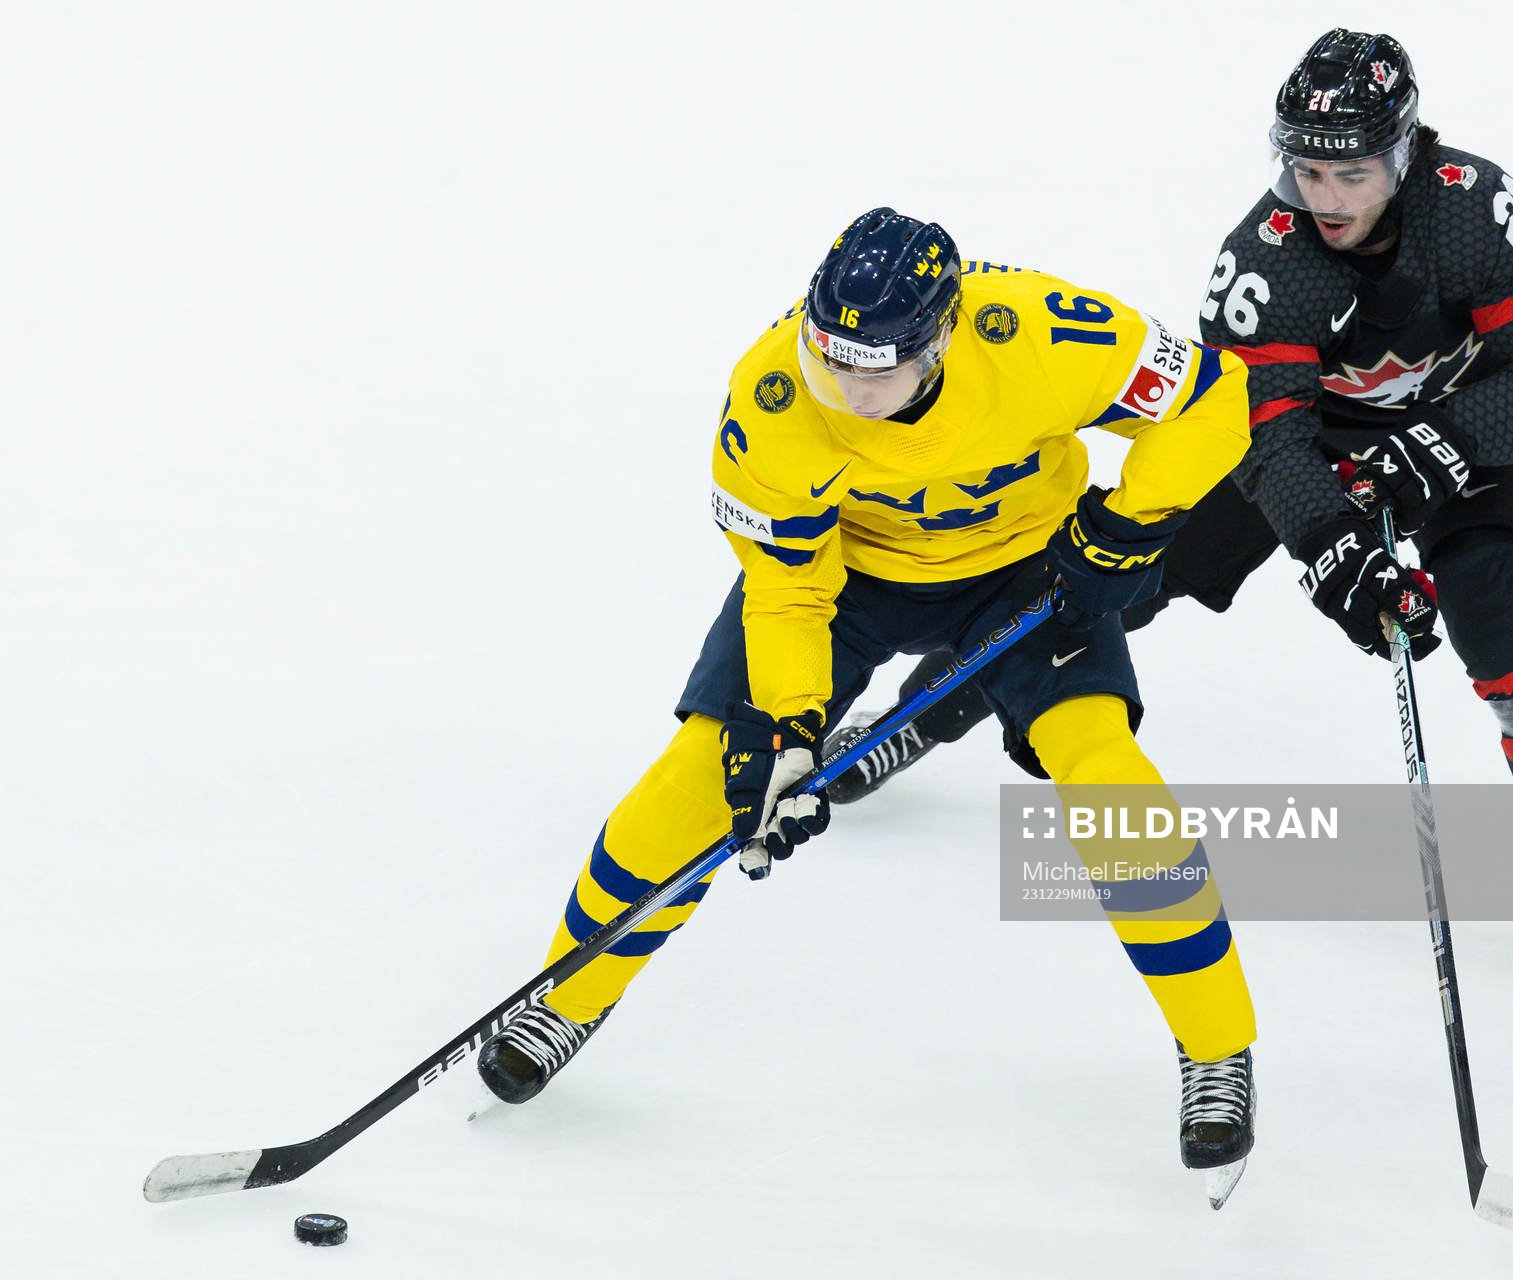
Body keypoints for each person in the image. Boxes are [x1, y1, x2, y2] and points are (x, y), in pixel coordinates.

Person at [825, 30, 1513, 988]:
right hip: (1312, 440)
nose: (1325, 198)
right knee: (1109, 576)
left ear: (1407, 150)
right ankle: (927, 708)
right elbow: (1269, 436)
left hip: (1473, 429)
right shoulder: (1266, 258)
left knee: (1497, 603)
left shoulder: (1478, 214)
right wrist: (1336, 545)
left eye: (1353, 173)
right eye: (1305, 170)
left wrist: (1442, 444)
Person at [476, 207, 1263, 1195]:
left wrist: (1127, 524)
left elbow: (1210, 395)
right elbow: (787, 587)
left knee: (1104, 772)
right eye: (829, 358)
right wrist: (789, 727)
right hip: (842, 582)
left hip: (1025, 568)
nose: (845, 389)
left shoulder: (1044, 334)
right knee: (695, 775)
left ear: (939, 338)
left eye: (875, 369)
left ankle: (1216, 1045)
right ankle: (568, 993)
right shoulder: (769, 401)